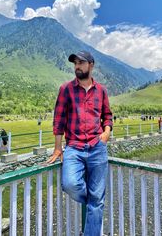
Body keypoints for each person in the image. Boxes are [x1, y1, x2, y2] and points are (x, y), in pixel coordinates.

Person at [48, 51, 113, 236]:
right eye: (75, 63)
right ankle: (93, 200)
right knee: (70, 185)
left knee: (97, 201)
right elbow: (59, 119)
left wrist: (106, 132)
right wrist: (58, 147)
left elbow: (107, 115)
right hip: (74, 147)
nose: (77, 66)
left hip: (97, 147)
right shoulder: (66, 89)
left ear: (91, 65)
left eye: (81, 62)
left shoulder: (101, 90)